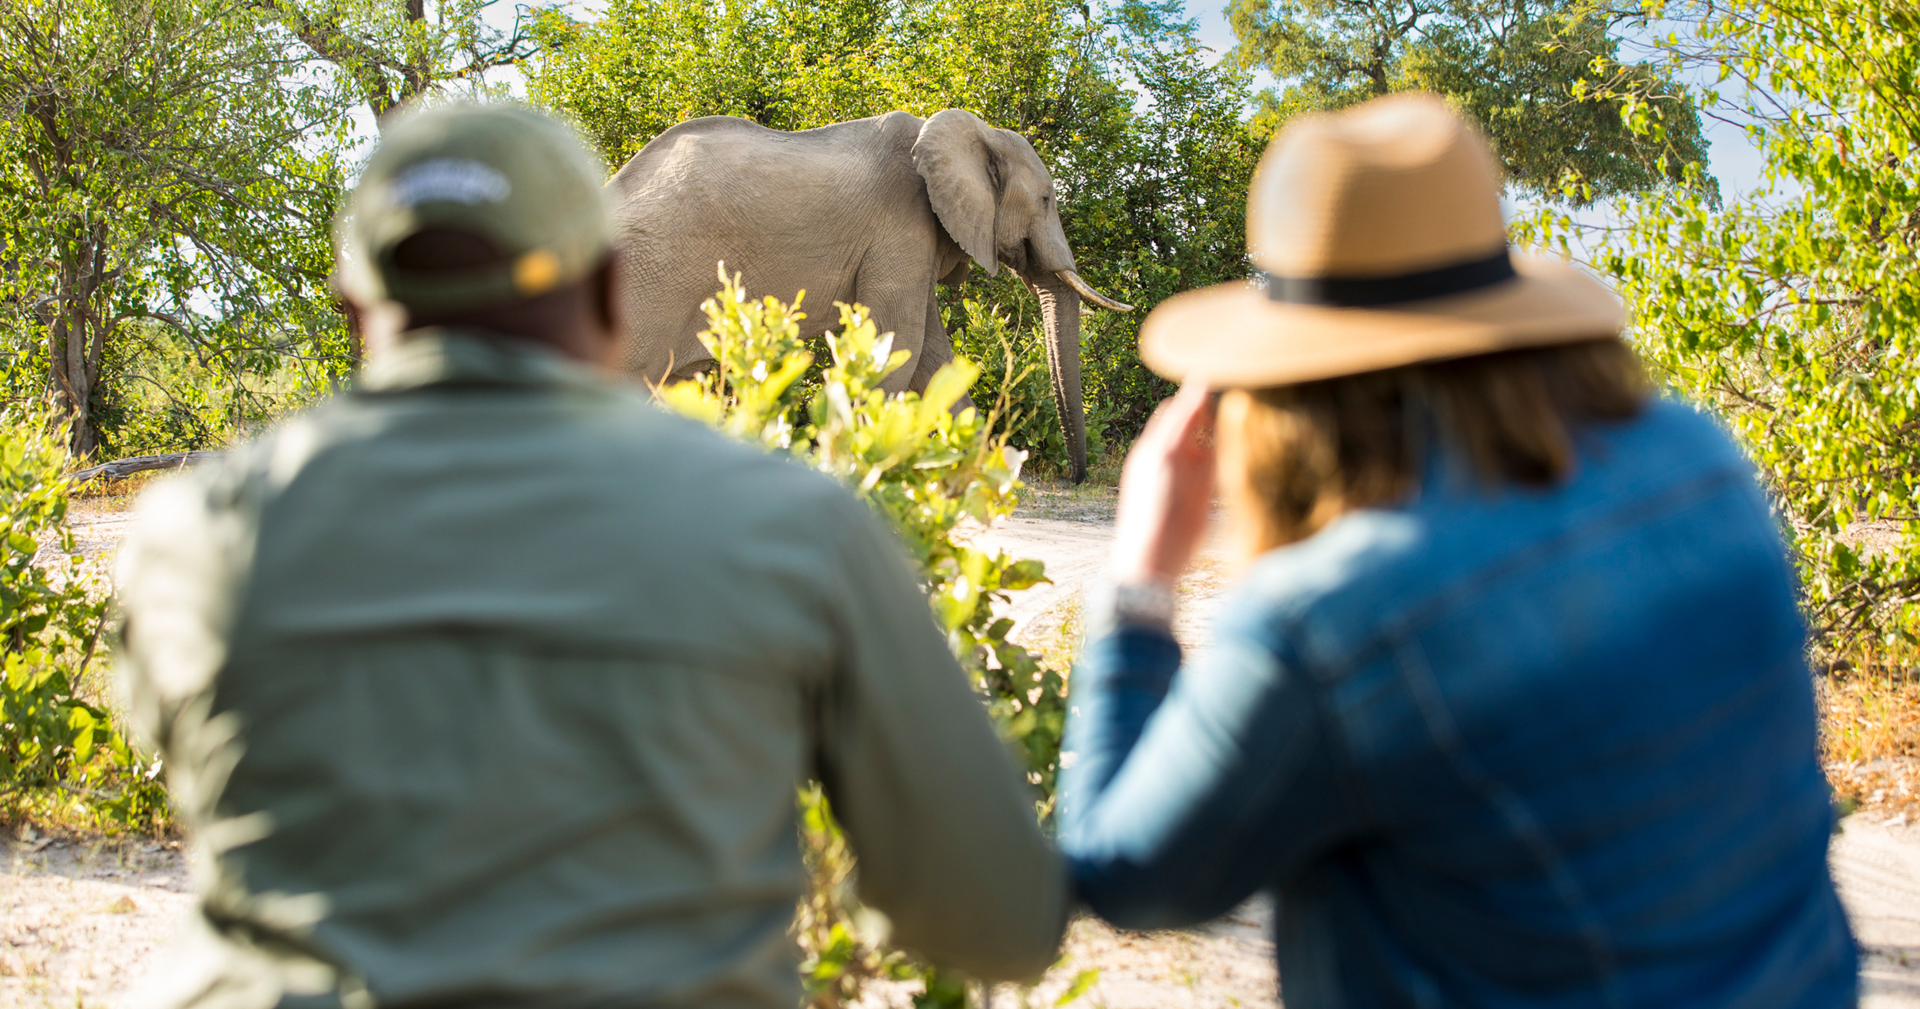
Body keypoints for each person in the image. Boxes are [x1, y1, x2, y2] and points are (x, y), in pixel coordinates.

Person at [115, 102, 1066, 1009]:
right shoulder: (797, 529)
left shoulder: (191, 532)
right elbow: (1004, 920)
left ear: (356, 308)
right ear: (614, 285)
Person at [1058, 93, 1856, 1007]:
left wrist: (1140, 584)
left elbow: (1128, 876)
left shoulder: (1327, 623)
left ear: (1275, 389)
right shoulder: (1703, 455)